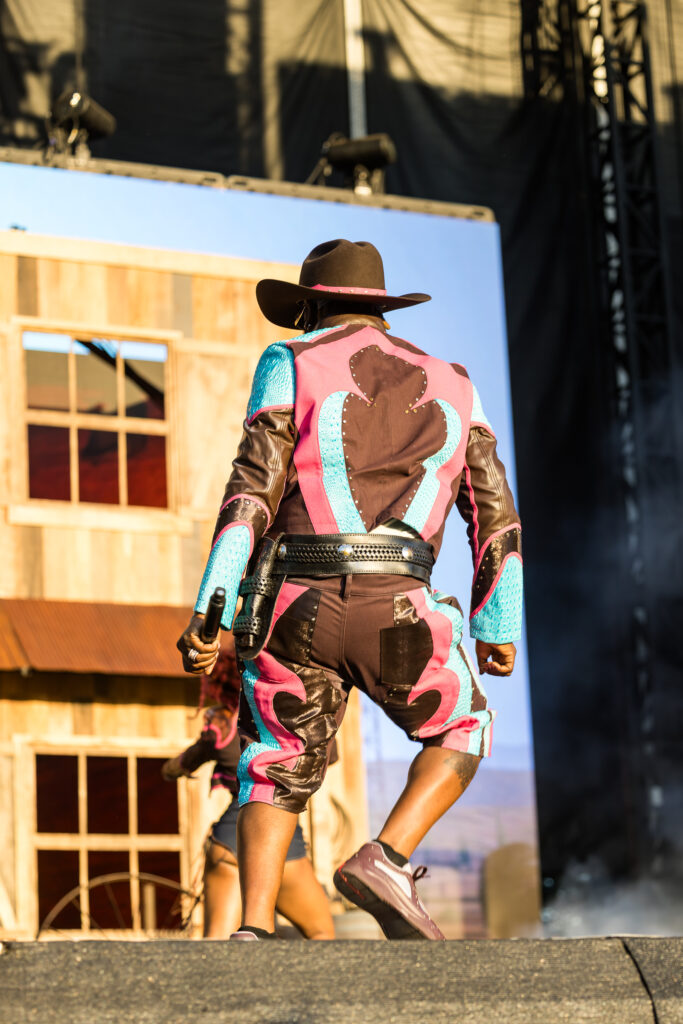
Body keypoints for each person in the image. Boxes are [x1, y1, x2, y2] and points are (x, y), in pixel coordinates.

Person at [177, 238, 523, 941]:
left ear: (309, 308)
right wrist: (497, 624)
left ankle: (251, 930)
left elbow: (250, 493)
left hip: (289, 605)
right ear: (382, 309)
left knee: (274, 763)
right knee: (463, 726)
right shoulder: (456, 383)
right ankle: (385, 859)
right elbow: (496, 516)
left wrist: (210, 611)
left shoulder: (289, 361)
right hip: (399, 606)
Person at [162, 647, 334, 940]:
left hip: (229, 840)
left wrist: (172, 769)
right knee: (321, 933)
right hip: (279, 837)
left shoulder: (221, 724)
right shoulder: (296, 715)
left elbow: (180, 765)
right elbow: (328, 757)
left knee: (217, 943)